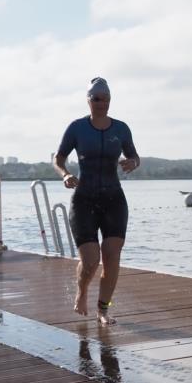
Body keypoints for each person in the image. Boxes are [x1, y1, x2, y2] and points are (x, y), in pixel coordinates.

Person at [54, 77, 139, 325]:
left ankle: (103, 309)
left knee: (112, 255)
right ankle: (81, 293)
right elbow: (58, 159)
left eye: (106, 99)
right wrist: (66, 174)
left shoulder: (121, 129)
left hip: (113, 198)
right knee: (90, 260)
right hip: (84, 199)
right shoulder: (77, 128)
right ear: (89, 100)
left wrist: (133, 162)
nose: (102, 103)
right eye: (97, 99)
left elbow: (134, 155)